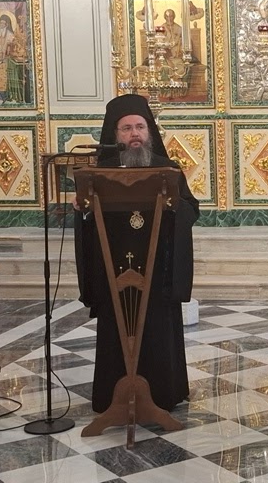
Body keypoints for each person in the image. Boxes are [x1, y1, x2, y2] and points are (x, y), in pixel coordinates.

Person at [74, 93, 200, 413]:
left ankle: (164, 393)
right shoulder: (99, 173)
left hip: (158, 271)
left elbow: (191, 209)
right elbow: (88, 217)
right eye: (127, 128)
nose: (135, 135)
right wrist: (83, 209)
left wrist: (175, 207)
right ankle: (114, 394)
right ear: (115, 134)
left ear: (149, 131)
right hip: (114, 266)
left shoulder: (167, 168)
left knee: (158, 330)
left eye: (140, 127)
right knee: (116, 329)